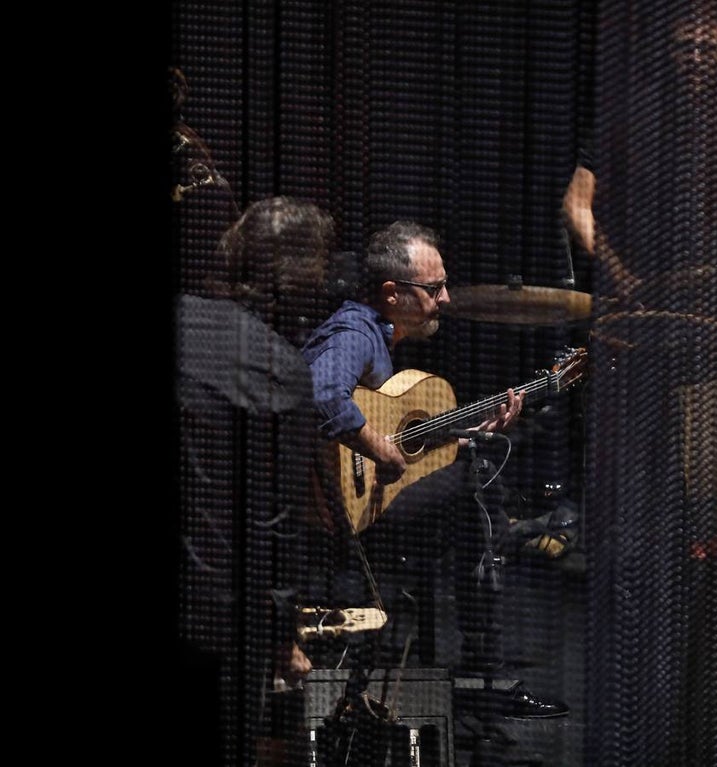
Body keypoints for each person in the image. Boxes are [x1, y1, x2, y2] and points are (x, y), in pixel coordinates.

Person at [300, 220, 571, 719]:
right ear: (392, 294)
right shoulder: (354, 331)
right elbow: (318, 395)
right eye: (433, 288)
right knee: (475, 480)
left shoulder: (377, 336)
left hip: (370, 507)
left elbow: (399, 432)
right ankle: (485, 668)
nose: (445, 299)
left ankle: (500, 550)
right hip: (340, 515)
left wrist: (471, 429)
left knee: (475, 456)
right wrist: (378, 450)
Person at [176, 196, 337, 765]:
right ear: (296, 281)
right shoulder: (278, 370)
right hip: (217, 618)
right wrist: (282, 637)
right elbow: (278, 526)